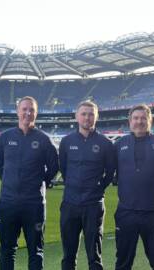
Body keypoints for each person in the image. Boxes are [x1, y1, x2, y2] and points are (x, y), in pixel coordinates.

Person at [0, 96, 59, 270]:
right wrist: (10, 183)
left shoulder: (44, 140)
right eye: (24, 109)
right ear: (18, 111)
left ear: (36, 114)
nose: (27, 113)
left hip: (34, 204)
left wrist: (39, 182)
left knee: (36, 251)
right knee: (7, 250)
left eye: (31, 110)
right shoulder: (4, 138)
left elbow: (54, 167)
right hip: (8, 203)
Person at [114, 104, 154, 270]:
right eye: (136, 118)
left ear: (150, 120)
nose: (139, 121)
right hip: (126, 212)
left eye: (143, 118)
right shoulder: (119, 144)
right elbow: (112, 171)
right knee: (123, 261)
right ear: (129, 121)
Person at [59, 100, 116, 270]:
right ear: (77, 116)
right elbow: (64, 168)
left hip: (93, 205)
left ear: (96, 117)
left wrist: (97, 189)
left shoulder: (105, 143)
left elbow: (110, 172)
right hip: (70, 204)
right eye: (83, 114)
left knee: (94, 256)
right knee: (68, 255)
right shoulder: (66, 142)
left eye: (91, 114)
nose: (87, 117)